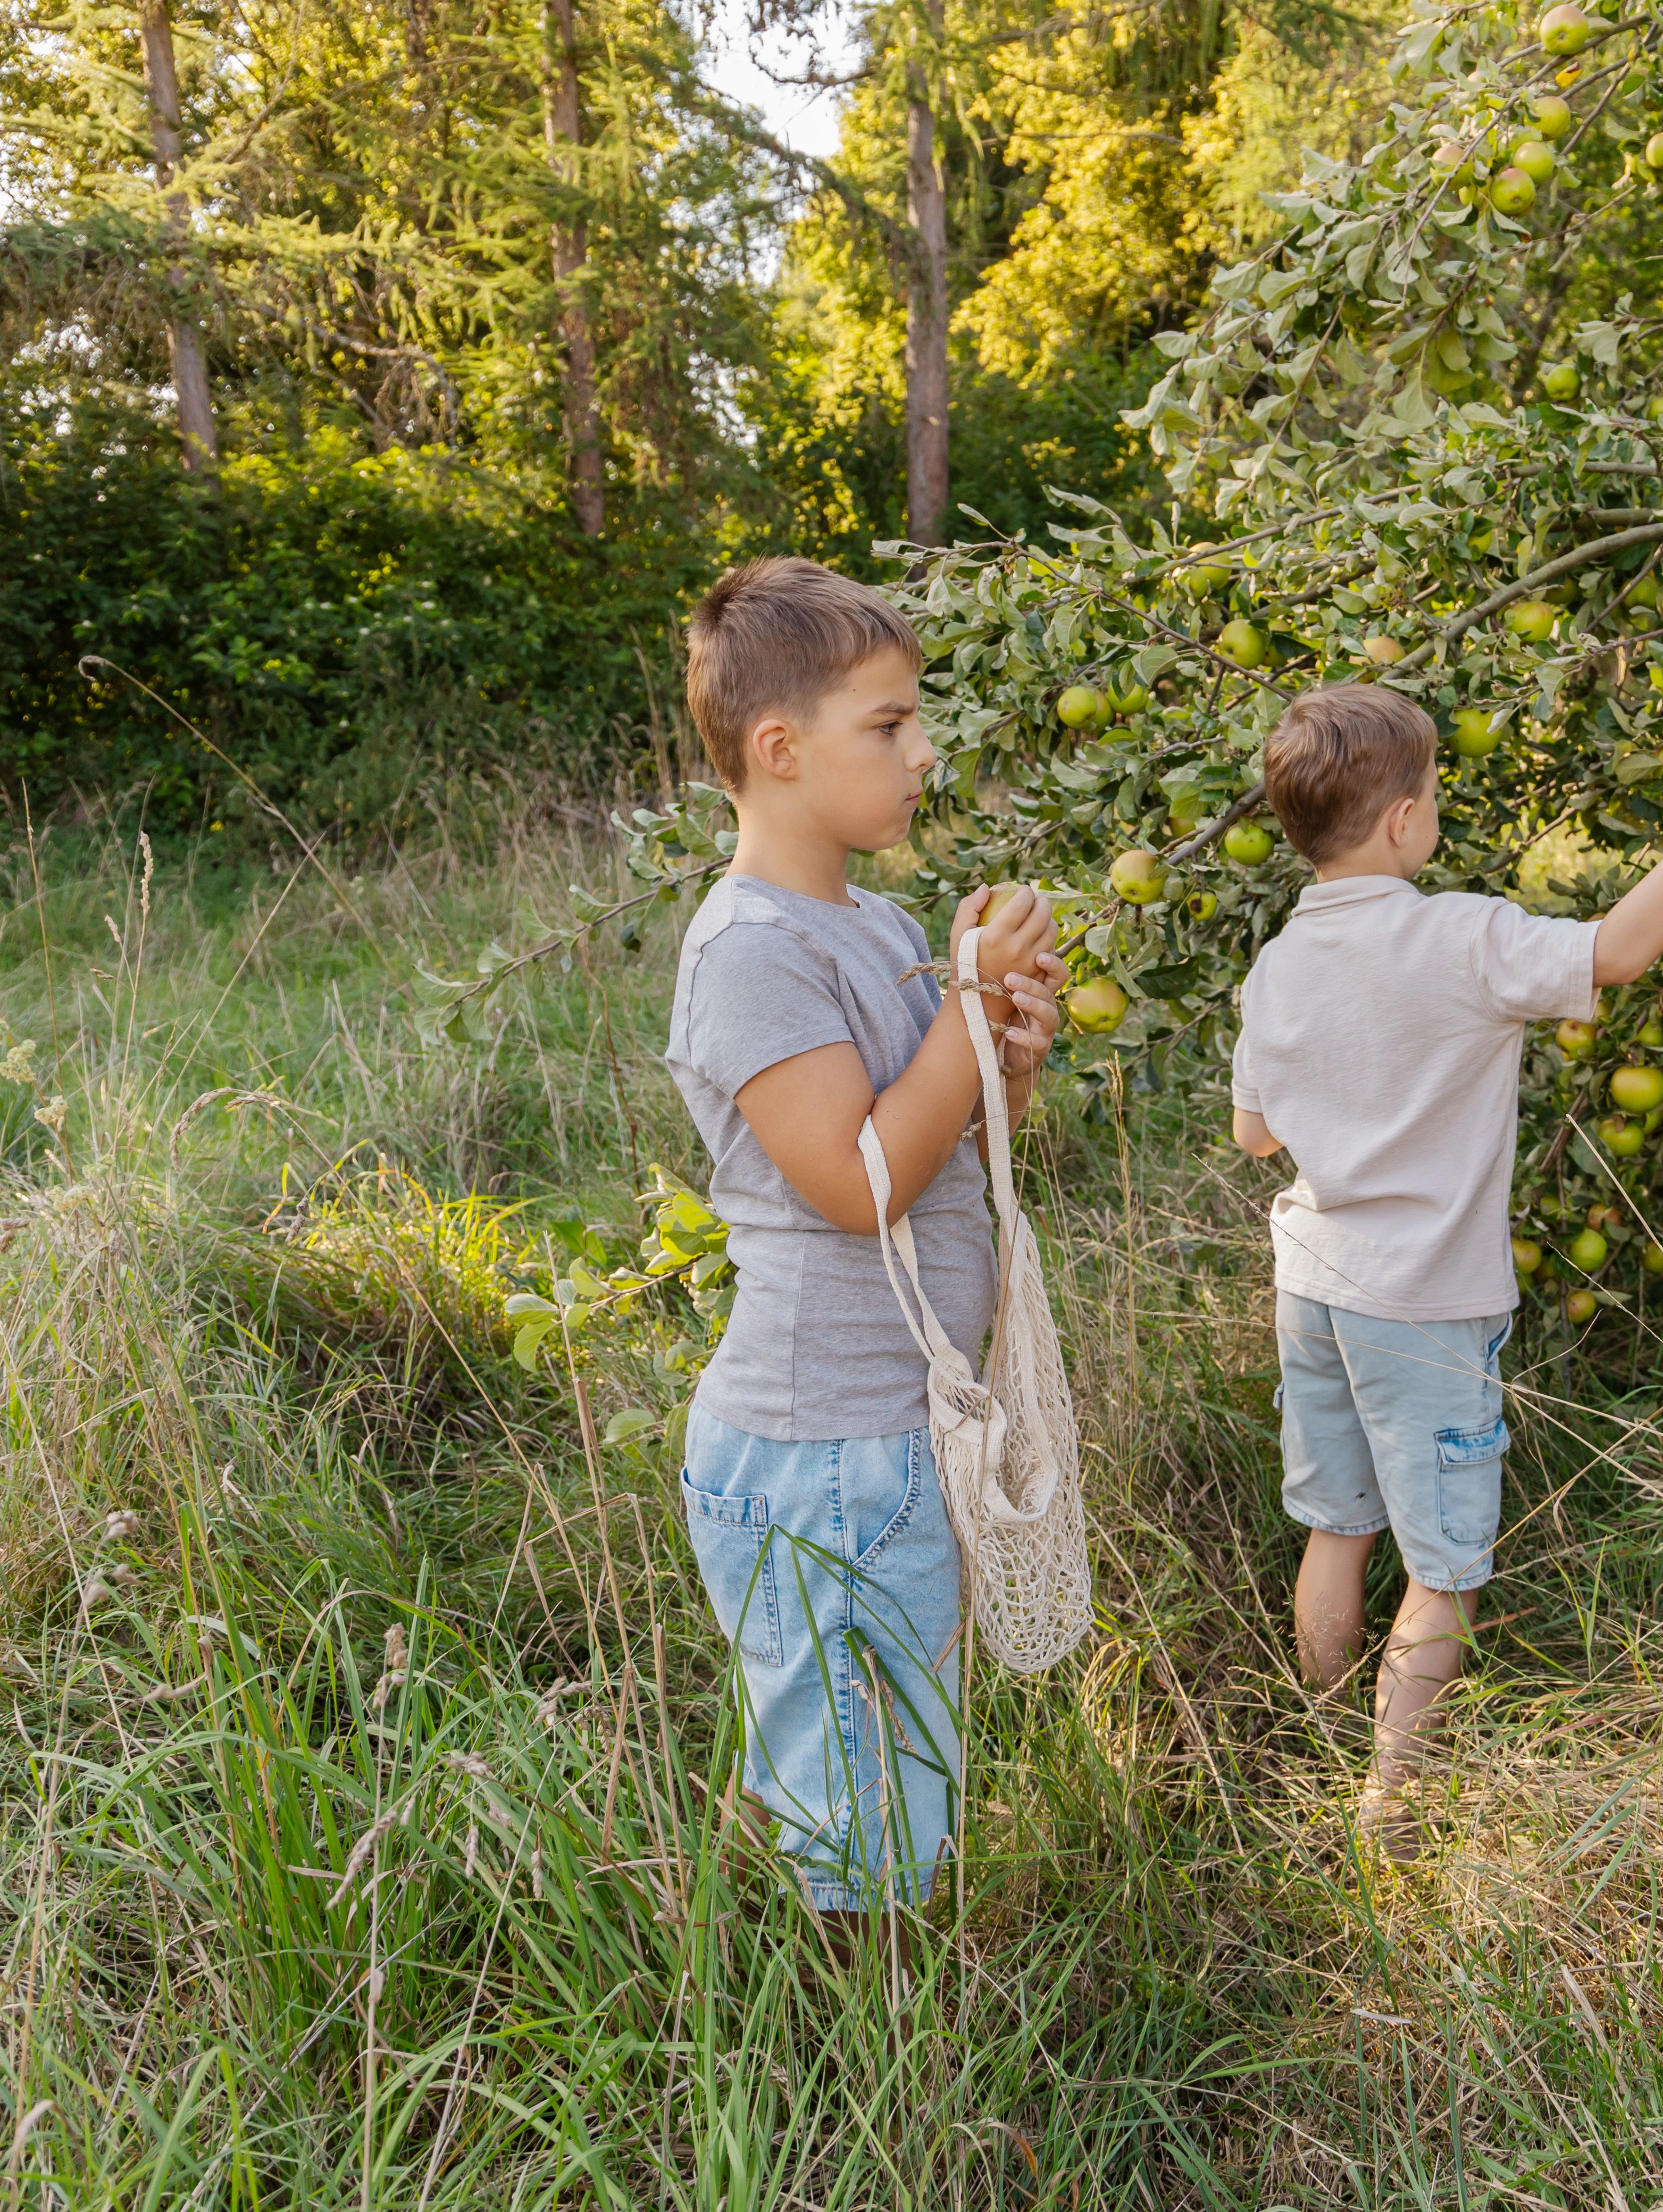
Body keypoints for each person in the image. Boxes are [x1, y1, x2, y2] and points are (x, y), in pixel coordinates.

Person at [1228, 682, 1663, 1849]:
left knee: (1336, 1532)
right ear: (1401, 821)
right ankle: (1388, 1812)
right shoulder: (1461, 938)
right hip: (1424, 1306)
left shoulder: (1279, 961)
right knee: (1443, 1565)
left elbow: (1254, 1135)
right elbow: (1624, 948)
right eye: (1431, 792)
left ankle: (1328, 1733)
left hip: (1312, 1283)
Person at [661, 556, 1065, 1913]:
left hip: (900, 1426)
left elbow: (941, 1139)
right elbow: (857, 1183)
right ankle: (869, 2068)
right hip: (817, 1442)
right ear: (778, 749)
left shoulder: (879, 921)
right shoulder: (751, 950)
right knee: (864, 1811)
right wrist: (962, 1007)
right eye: (888, 727)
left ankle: (842, 1986)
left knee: (894, 1758)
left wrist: (1005, 1046)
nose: (921, 753)